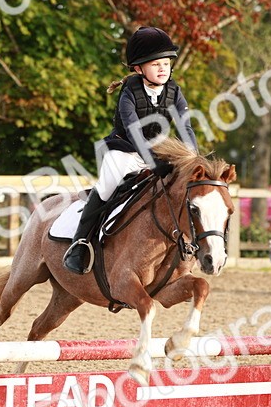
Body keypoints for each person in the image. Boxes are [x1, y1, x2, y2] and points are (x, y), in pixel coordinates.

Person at [63, 26, 200, 274]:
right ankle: (79, 244)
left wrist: (194, 161)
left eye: (166, 63)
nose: (163, 69)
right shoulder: (129, 93)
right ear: (138, 69)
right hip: (124, 150)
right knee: (107, 187)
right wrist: (152, 162)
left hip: (159, 152)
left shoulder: (175, 92)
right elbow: (134, 131)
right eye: (155, 64)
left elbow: (185, 127)